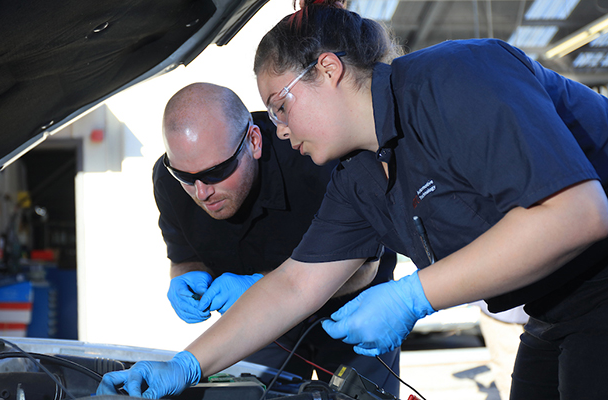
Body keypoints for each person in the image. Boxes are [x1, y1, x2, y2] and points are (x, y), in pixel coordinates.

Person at [97, 2, 608, 399]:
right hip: (557, 307)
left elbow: (578, 213)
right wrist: (185, 364)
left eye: (280, 107)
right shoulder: (360, 177)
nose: (278, 129)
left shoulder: (459, 77)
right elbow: (294, 285)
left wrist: (413, 295)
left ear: (328, 69)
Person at [152, 82, 400, 394]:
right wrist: (188, 275)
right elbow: (184, 255)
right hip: (262, 325)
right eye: (187, 178)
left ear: (253, 141)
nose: (202, 193)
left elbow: (366, 268)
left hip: (354, 315)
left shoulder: (315, 160)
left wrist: (258, 285)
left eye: (217, 171)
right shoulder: (170, 181)